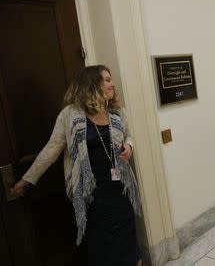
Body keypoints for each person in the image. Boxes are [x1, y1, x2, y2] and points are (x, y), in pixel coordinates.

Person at [11, 65, 143, 266]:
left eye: (111, 79)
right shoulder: (70, 115)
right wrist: (27, 179)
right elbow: (51, 149)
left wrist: (129, 146)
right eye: (107, 80)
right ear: (92, 84)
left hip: (119, 188)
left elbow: (129, 135)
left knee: (128, 241)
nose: (112, 84)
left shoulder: (116, 112)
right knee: (102, 246)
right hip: (91, 192)